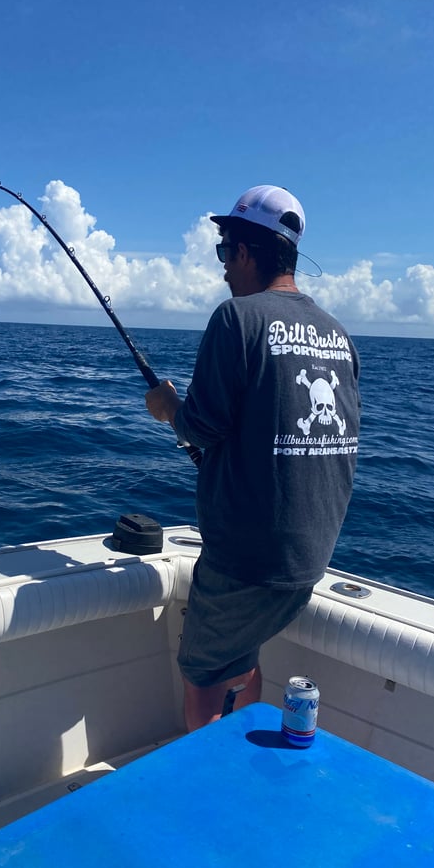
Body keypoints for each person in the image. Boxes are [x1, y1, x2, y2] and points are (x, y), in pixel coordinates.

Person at [145, 184, 360, 731]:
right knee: (242, 661)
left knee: (201, 672)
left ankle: (208, 793)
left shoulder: (235, 319)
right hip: (309, 557)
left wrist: (170, 407)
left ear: (245, 252)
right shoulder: (338, 336)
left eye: (224, 252)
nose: (222, 270)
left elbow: (203, 425)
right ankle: (240, 764)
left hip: (246, 561)